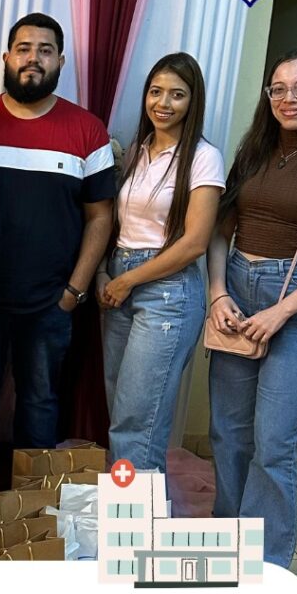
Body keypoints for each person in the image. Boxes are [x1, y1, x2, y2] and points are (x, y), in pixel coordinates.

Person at [0, 12, 115, 494]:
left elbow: (100, 217)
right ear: (7, 57)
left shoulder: (88, 130)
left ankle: (33, 491)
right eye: (23, 48)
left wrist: (74, 291)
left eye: (44, 50)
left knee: (40, 398)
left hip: (50, 300)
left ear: (60, 61)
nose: (33, 59)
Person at [208, 48, 297, 568]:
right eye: (278, 88)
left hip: (296, 308)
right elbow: (220, 233)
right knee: (229, 434)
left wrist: (281, 311)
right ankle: (225, 546)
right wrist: (217, 293)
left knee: (273, 445)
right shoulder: (252, 152)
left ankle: (263, 564)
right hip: (237, 295)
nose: (289, 98)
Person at [96, 53, 225, 475]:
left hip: (168, 290)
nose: (163, 103)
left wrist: (129, 279)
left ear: (193, 100)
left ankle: (134, 512)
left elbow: (195, 243)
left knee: (139, 419)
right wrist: (106, 272)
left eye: (177, 94)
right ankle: (128, 506)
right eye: (156, 91)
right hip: (121, 278)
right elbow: (118, 223)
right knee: (122, 409)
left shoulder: (203, 156)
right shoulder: (138, 149)